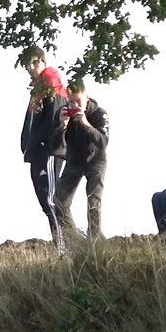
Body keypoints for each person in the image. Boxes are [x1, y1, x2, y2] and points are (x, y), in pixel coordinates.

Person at [19, 45, 69, 252]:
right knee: (45, 200)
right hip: (36, 152)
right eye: (27, 64)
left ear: (43, 61)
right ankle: (62, 246)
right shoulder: (38, 90)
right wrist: (26, 143)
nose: (30, 68)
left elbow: (55, 119)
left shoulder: (52, 85)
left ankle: (64, 248)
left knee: (51, 199)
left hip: (48, 152)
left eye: (34, 63)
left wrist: (46, 144)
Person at [53, 78, 110, 240]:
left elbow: (103, 142)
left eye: (78, 101)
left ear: (86, 97)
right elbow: (54, 146)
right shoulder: (63, 114)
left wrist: (86, 124)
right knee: (59, 202)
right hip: (74, 160)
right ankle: (76, 241)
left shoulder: (99, 113)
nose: (74, 106)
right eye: (71, 102)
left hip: (96, 159)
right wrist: (61, 127)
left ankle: (95, 240)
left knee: (93, 202)